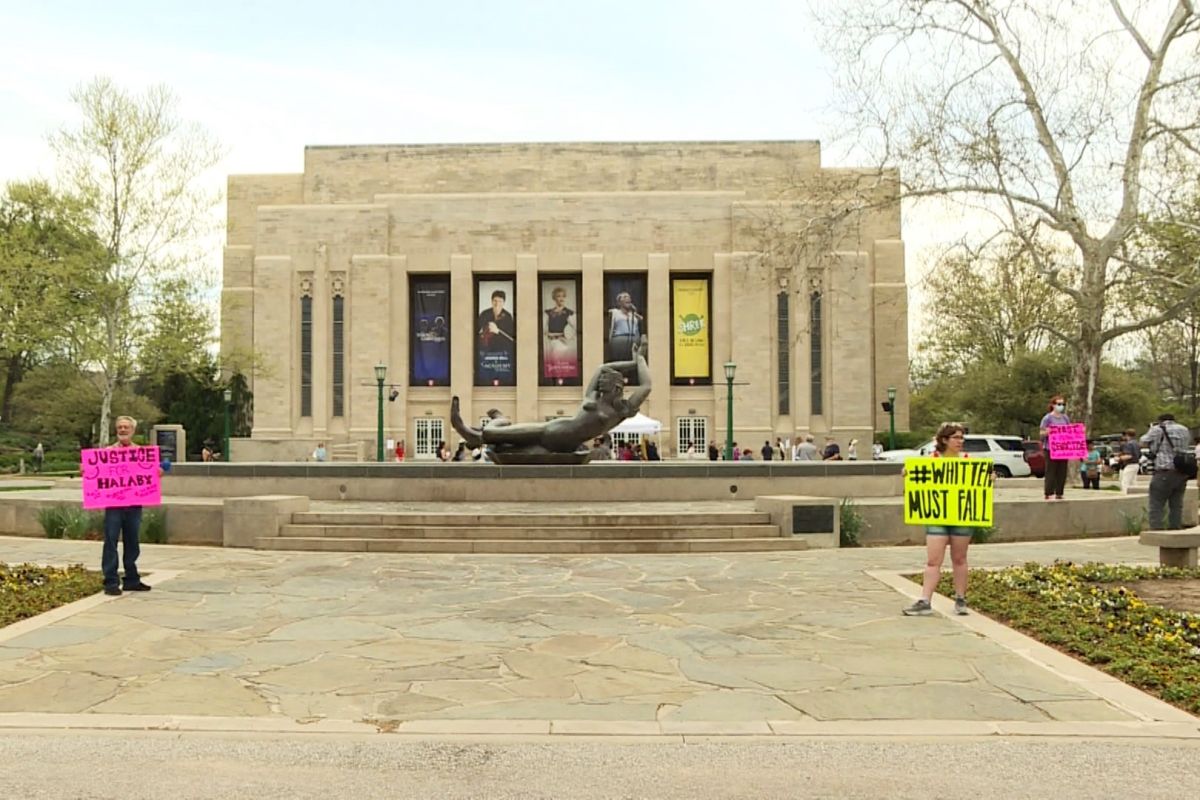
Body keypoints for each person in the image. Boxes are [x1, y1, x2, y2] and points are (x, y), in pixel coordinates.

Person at [451, 341, 652, 458]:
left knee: (495, 434)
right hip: (556, 434)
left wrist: (641, 360)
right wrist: (632, 362)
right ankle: (489, 426)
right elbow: (600, 368)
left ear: (616, 387)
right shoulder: (594, 398)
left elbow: (646, 386)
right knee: (505, 447)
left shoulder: (619, 412)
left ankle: (476, 431)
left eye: (604, 382)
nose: (599, 384)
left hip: (556, 436)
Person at [903, 422, 985, 617]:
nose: (960, 441)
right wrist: (908, 476)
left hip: (962, 515)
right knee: (933, 559)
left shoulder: (968, 460)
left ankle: (960, 598)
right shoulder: (930, 460)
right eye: (956, 437)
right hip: (937, 514)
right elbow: (914, 487)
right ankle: (925, 600)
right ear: (944, 440)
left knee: (959, 558)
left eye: (962, 437)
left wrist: (987, 478)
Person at [101, 416, 154, 596]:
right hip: (114, 504)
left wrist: (157, 473)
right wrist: (86, 470)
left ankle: (131, 579)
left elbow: (149, 476)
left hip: (133, 505)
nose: (123, 430)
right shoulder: (106, 452)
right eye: (120, 427)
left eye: (126, 427)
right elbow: (96, 474)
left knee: (132, 542)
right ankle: (111, 581)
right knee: (111, 541)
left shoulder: (141, 453)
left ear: (133, 431)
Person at [1142, 413, 1195, 530]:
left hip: (1164, 470)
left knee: (1156, 503)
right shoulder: (1184, 429)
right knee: (1176, 504)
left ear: (1160, 420)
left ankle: (1156, 530)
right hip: (1182, 471)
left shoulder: (1157, 429)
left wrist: (1152, 428)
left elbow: (1143, 440)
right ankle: (1175, 529)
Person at [1039, 394, 1071, 500]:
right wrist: (1048, 432)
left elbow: (1070, 431)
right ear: (1053, 405)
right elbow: (1041, 433)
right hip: (1050, 448)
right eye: (1059, 404)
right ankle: (1049, 492)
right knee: (1051, 471)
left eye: (1063, 404)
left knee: (1062, 471)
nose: (1061, 406)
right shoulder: (1047, 418)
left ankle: (1059, 492)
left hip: (1063, 449)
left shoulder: (1065, 418)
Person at [543, 285, 577, 378]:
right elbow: (544, 329)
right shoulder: (548, 313)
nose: (561, 298)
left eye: (563, 296)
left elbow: (575, 328)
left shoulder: (568, 312)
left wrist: (568, 338)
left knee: (559, 367)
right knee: (551, 366)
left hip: (561, 343)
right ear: (554, 298)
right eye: (558, 296)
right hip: (550, 342)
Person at [606, 291, 643, 362]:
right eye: (625, 297)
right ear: (619, 302)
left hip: (633, 341)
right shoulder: (615, 312)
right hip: (619, 341)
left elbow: (639, 324)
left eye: (629, 297)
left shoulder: (633, 316)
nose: (628, 298)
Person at [1116, 429, 1141, 494]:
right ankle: (1135, 494)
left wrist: (1119, 458)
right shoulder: (1137, 443)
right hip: (1136, 464)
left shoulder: (1129, 444)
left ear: (1127, 435)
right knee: (1133, 481)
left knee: (1125, 481)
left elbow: (1129, 456)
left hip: (1130, 464)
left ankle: (1125, 494)